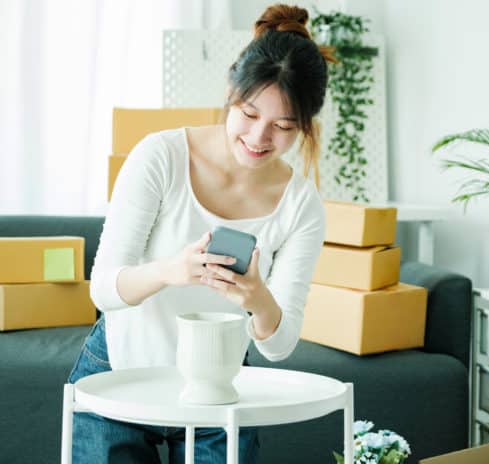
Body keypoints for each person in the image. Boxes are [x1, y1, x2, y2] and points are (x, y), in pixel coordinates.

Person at [67, 4, 335, 463]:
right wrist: (173, 270)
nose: (259, 137)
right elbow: (105, 289)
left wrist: (256, 296)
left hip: (223, 389)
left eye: (283, 127)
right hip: (120, 374)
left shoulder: (300, 205)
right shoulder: (161, 157)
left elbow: (279, 343)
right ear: (231, 92)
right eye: (249, 114)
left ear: (304, 126)